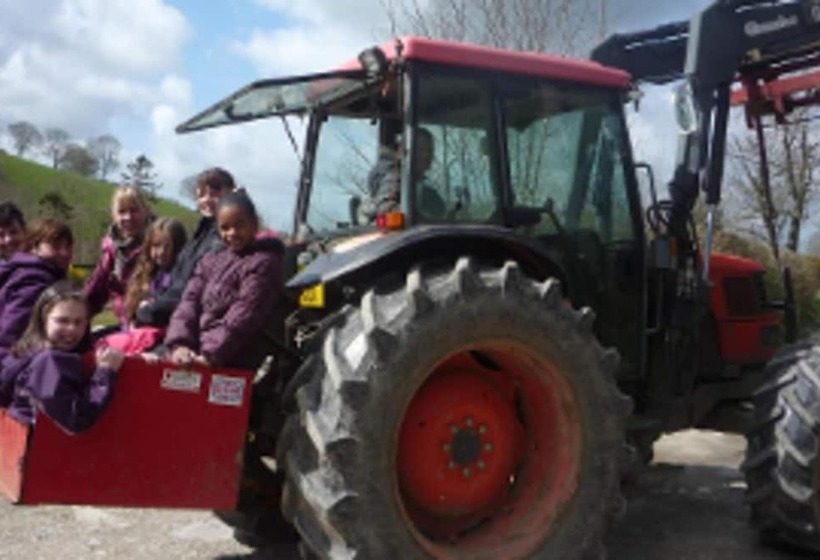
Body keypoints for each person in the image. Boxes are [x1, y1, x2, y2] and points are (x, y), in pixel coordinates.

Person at [161, 190, 283, 370]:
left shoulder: (264, 263)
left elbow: (245, 313)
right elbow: (189, 302)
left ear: (254, 224)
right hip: (195, 352)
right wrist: (180, 344)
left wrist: (210, 354)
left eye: (239, 225)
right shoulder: (210, 261)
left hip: (230, 358)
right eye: (225, 228)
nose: (232, 233)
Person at [0, 282, 123, 434]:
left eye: (79, 322)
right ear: (44, 319)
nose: (71, 329)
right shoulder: (48, 362)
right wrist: (105, 372)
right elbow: (76, 419)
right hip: (40, 445)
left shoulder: (27, 352)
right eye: (62, 321)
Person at [133, 167, 235, 329]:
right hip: (170, 315)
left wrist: (148, 312)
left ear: (230, 195)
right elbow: (175, 281)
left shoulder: (220, 242)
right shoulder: (199, 236)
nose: (207, 200)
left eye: (214, 193)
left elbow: (189, 291)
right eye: (202, 194)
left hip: (187, 324)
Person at [97, 217, 188, 354]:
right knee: (97, 337)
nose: (161, 252)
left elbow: (164, 308)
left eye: (167, 246)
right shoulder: (149, 273)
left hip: (160, 335)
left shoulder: (179, 275)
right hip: (137, 329)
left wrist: (143, 312)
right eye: (156, 246)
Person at [0, 218, 73, 362]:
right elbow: (11, 331)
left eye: (68, 246)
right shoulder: (35, 280)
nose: (64, 252)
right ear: (35, 247)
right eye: (56, 246)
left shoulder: (23, 269)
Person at [84, 186, 151, 329]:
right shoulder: (111, 250)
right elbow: (96, 290)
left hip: (152, 321)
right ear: (113, 216)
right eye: (122, 212)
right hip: (125, 324)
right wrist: (76, 313)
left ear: (145, 211)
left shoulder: (157, 243)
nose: (128, 217)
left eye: (134, 210)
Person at [361, 127, 445, 222]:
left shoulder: (426, 192)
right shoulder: (394, 178)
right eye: (420, 150)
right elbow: (386, 208)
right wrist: (419, 220)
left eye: (429, 150)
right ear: (402, 152)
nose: (426, 155)